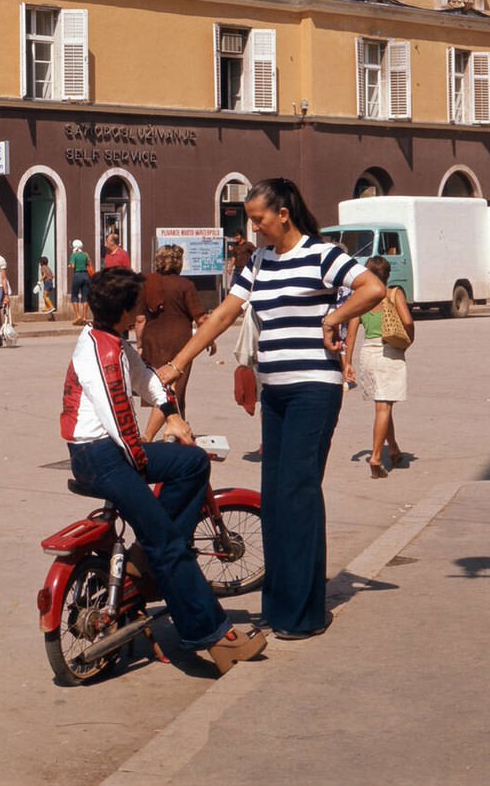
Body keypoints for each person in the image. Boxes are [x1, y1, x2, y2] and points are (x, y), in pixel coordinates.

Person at [156, 177, 384, 640]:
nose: (253, 228)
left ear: (284, 213)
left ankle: (303, 614)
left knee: (298, 495)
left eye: (259, 219)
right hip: (274, 393)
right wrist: (179, 362)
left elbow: (372, 288)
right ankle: (278, 608)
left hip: (314, 390)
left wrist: (333, 317)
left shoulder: (322, 254)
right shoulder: (259, 262)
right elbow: (224, 314)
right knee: (276, 499)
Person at [62, 268, 266, 675]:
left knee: (192, 462)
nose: (140, 311)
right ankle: (211, 635)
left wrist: (173, 418)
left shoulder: (111, 340)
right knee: (169, 544)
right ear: (123, 311)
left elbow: (147, 380)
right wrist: (140, 465)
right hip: (100, 456)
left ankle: (149, 557)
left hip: (110, 451)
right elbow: (119, 420)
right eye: (135, 306)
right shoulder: (100, 352)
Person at [137, 245, 216, 441]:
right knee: (174, 389)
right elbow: (201, 317)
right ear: (179, 263)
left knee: (159, 387)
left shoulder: (147, 283)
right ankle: (152, 434)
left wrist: (139, 344)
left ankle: (179, 427)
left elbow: (140, 319)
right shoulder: (185, 285)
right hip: (180, 342)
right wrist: (209, 339)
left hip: (152, 340)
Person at [344, 256, 412, 479]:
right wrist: (408, 340)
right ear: (388, 274)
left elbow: (351, 334)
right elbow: (408, 322)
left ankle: (392, 448)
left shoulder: (360, 298)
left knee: (384, 402)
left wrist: (347, 363)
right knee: (384, 407)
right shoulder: (393, 294)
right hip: (388, 352)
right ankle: (375, 456)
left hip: (367, 354)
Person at [68, 239, 91, 327]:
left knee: (74, 295)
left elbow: (73, 266)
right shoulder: (85, 255)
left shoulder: (74, 255)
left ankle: (78, 315)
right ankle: (84, 317)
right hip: (86, 275)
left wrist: (70, 265)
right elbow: (89, 263)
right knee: (85, 296)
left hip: (77, 275)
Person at [38, 256, 56, 320]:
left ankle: (51, 306)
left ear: (41, 262)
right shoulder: (48, 268)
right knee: (45, 295)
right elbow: (53, 275)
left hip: (47, 282)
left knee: (45, 296)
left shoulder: (42, 267)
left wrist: (40, 280)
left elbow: (44, 275)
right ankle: (46, 307)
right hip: (50, 282)